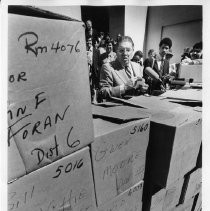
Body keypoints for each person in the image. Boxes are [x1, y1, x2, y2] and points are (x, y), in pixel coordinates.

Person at [86, 36, 100, 103]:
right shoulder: (83, 50)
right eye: (87, 40)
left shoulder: (96, 51)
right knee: (87, 84)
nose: (89, 42)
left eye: (90, 41)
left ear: (92, 42)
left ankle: (94, 99)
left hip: (94, 70)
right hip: (86, 70)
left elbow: (99, 62)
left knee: (94, 85)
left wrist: (97, 69)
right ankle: (88, 99)